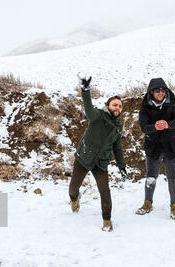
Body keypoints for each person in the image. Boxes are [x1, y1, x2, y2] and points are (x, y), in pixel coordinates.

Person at [69, 74, 128, 232]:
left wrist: (122, 167)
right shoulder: (97, 116)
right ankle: (74, 199)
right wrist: (85, 90)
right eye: (115, 105)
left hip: (101, 162)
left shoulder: (117, 127)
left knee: (105, 191)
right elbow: (88, 108)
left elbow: (117, 148)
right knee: (73, 188)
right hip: (84, 157)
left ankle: (107, 220)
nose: (118, 108)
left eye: (120, 106)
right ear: (108, 105)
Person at [136, 78, 175, 220]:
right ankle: (147, 203)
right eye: (158, 90)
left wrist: (167, 124)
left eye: (163, 90)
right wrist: (155, 127)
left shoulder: (171, 101)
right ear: (152, 92)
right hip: (153, 147)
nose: (161, 93)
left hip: (172, 146)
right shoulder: (145, 105)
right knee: (151, 177)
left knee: (173, 177)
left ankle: (174, 207)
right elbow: (144, 127)